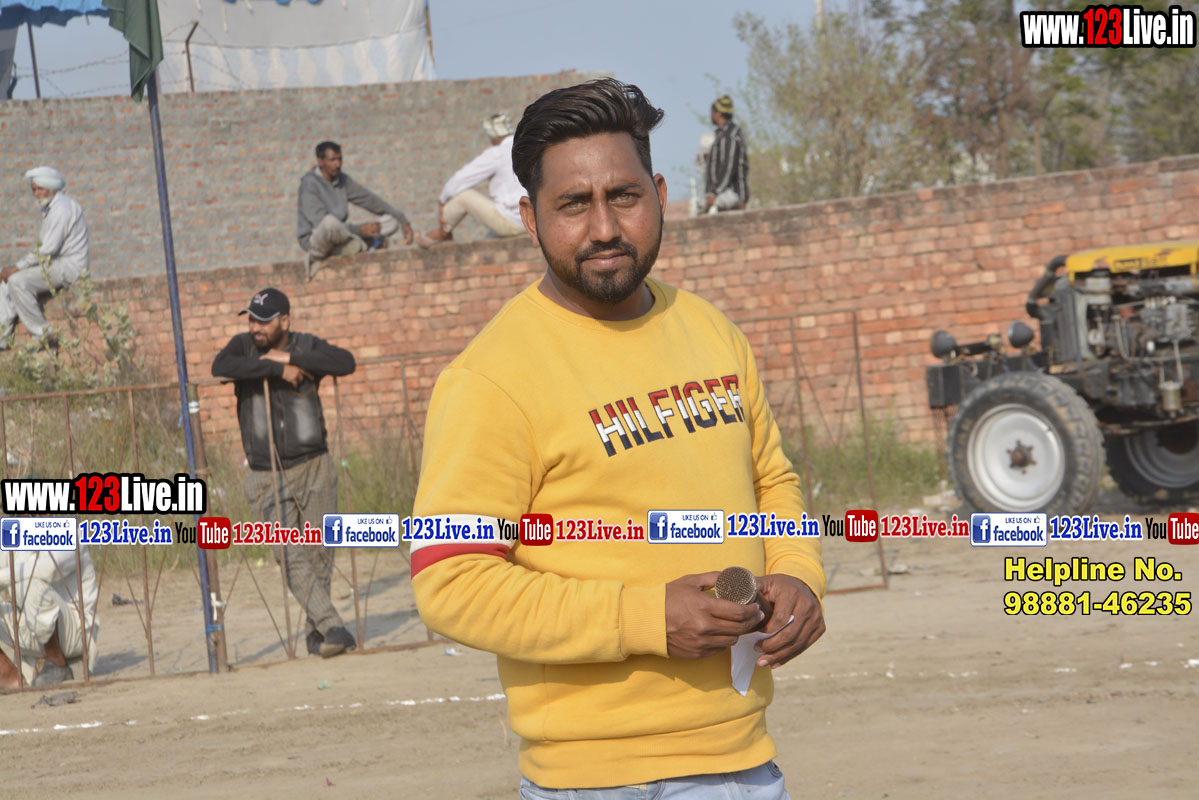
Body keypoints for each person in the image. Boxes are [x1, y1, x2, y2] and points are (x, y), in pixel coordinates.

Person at [411, 79, 825, 798]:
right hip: (596, 781)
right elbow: (450, 580)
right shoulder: (491, 378)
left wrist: (797, 574)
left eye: (624, 196)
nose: (603, 227)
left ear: (658, 195)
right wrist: (643, 618)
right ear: (530, 217)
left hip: (746, 764)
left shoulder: (711, 332)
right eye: (573, 204)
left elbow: (772, 482)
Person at [211, 288, 358, 658]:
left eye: (264, 321)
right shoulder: (242, 348)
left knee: (320, 552)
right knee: (288, 553)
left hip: (314, 466)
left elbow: (345, 362)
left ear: (285, 321)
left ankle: (317, 634)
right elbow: (221, 367)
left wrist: (290, 357)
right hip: (266, 475)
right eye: (251, 319)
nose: (255, 327)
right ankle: (333, 626)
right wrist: (277, 368)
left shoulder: (305, 345)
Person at [0, 166, 90, 348]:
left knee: (17, 280)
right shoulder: (52, 208)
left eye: (40, 189)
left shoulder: (62, 208)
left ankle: (43, 335)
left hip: (70, 267)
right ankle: (3, 337)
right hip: (55, 263)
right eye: (34, 189)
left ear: (51, 187)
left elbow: (47, 249)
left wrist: (18, 267)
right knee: (5, 279)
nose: (37, 194)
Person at [296, 141, 414, 279]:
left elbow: (370, 200)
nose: (338, 164)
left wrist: (402, 220)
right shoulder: (309, 184)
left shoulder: (342, 180)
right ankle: (358, 245)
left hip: (342, 234)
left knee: (391, 221)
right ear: (320, 161)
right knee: (329, 223)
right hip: (316, 238)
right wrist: (360, 230)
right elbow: (320, 223)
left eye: (340, 159)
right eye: (332, 160)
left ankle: (351, 247)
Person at [416, 113, 526, 246]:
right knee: (486, 241)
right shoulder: (524, 147)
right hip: (531, 220)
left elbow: (459, 180)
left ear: (492, 134)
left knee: (463, 197)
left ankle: (442, 232)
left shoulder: (496, 153)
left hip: (513, 221)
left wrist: (442, 201)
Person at [0, 543, 100, 688]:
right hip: (30, 628)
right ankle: (8, 674)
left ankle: (56, 661)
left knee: (28, 585)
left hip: (75, 633)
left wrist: (2, 577)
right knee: (25, 585)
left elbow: (50, 569)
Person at [704, 94, 750, 213]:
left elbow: (728, 167)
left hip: (731, 195)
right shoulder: (722, 135)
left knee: (699, 205)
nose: (711, 115)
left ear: (718, 114)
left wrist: (714, 193)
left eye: (712, 112)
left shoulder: (730, 135)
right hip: (721, 194)